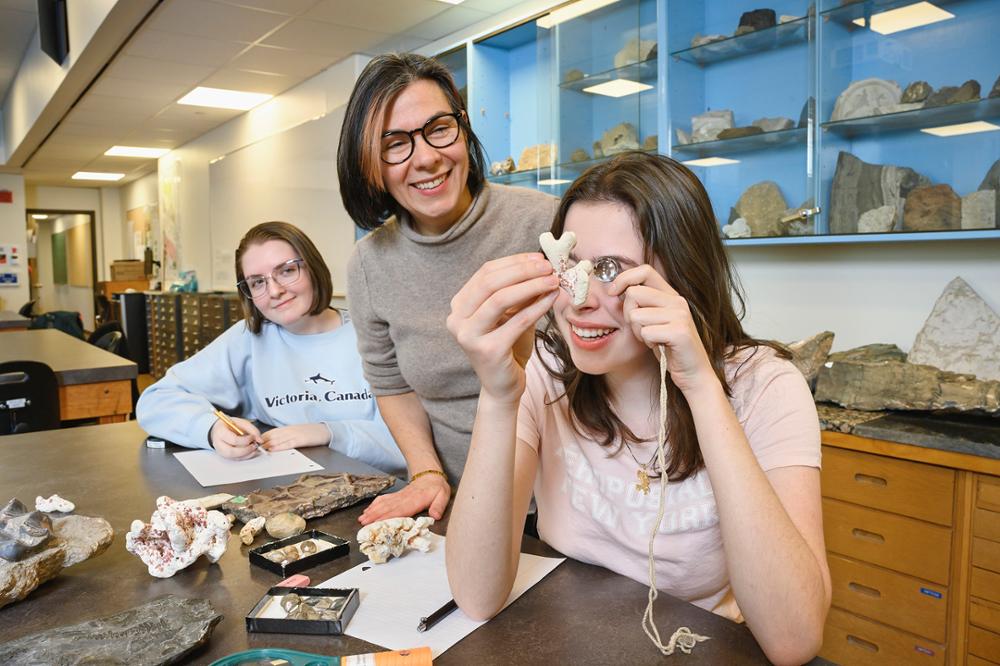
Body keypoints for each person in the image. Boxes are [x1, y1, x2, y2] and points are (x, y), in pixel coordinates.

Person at [445, 152, 831, 665]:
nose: (579, 300)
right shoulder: (544, 369)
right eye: (571, 266)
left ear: (685, 276)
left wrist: (699, 385)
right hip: (570, 639)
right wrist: (497, 399)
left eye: (610, 270)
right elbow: (476, 596)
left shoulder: (765, 385)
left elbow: (795, 640)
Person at [338, 53, 559, 524]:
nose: (426, 157)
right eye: (394, 143)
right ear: (367, 163)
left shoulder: (545, 223)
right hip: (460, 504)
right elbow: (392, 385)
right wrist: (426, 473)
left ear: (463, 127)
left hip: (570, 501)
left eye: (438, 128)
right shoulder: (368, 265)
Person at [137, 221, 405, 476]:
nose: (274, 290)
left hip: (377, 496)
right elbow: (155, 400)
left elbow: (408, 443)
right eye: (257, 282)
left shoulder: (371, 335)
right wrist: (211, 428)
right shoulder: (248, 339)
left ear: (313, 268)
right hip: (286, 493)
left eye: (287, 270)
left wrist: (328, 432)